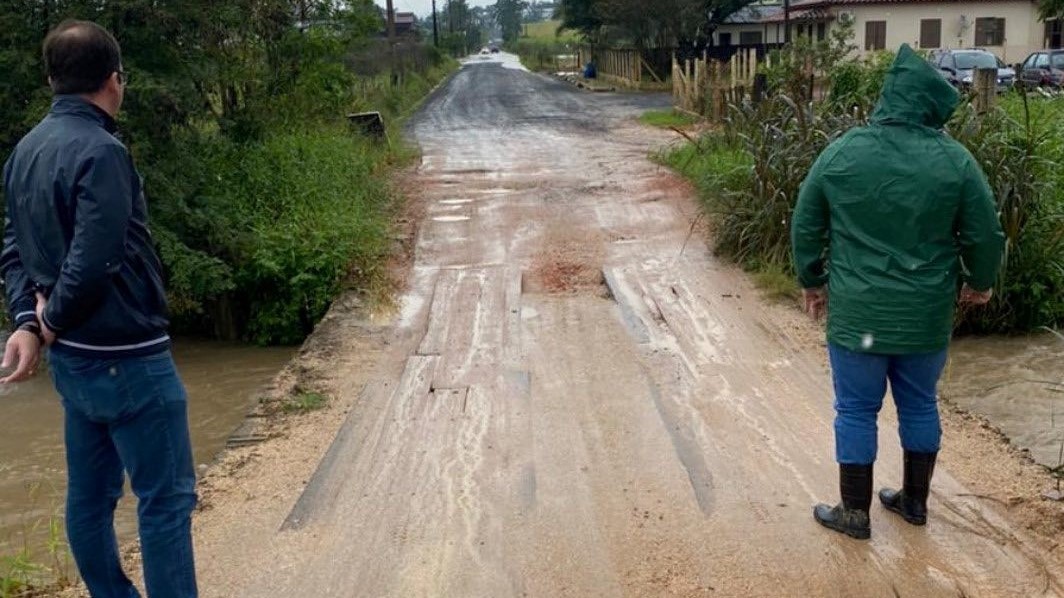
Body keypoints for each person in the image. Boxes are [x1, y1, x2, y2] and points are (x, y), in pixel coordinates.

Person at [0, 20, 198, 596]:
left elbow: (13, 245)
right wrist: (49, 321)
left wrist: (28, 322)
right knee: (166, 503)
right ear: (115, 81)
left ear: (50, 80)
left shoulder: (25, 151)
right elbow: (96, 257)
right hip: (128, 359)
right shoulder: (103, 151)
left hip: (77, 367)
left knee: (89, 501)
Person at [791, 44, 1004, 540]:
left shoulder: (843, 151)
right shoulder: (956, 161)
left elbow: (806, 220)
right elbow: (985, 234)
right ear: (930, 105)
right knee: (920, 405)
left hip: (860, 321)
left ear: (887, 98)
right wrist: (979, 282)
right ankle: (914, 503)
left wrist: (812, 280)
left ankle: (854, 513)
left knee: (857, 409)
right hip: (924, 319)